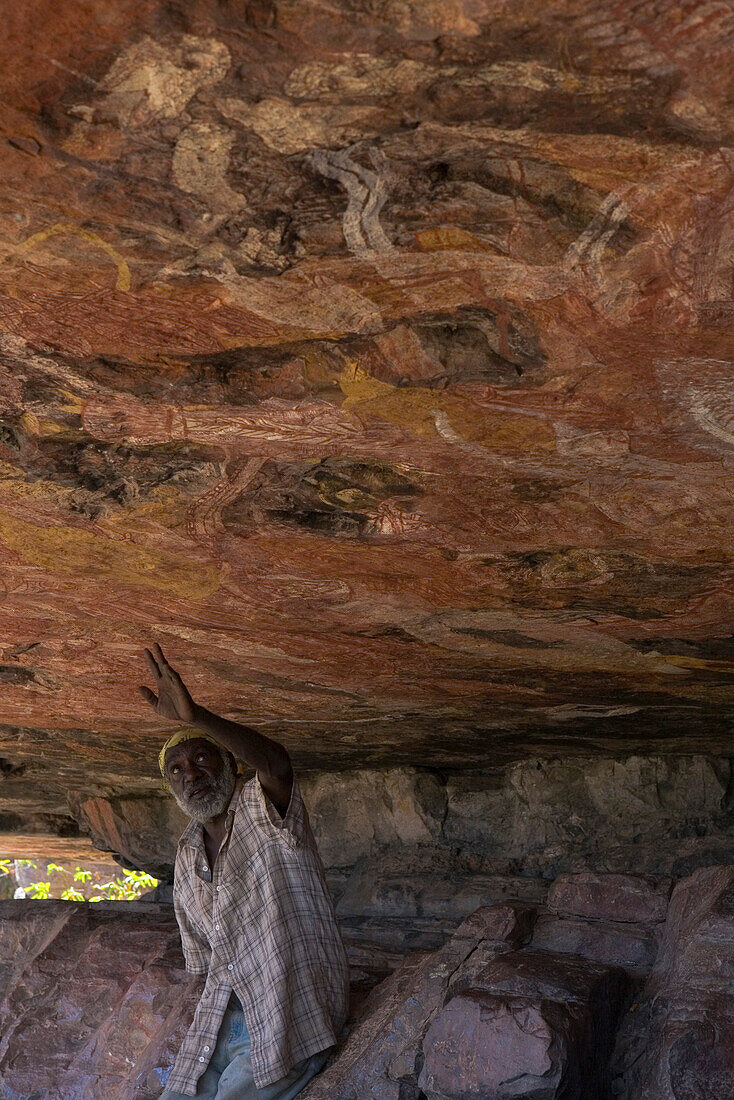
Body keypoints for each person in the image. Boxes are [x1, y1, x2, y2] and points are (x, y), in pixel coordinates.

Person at [139, 643, 350, 1100]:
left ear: (230, 765)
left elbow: (278, 764)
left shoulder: (260, 809)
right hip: (223, 1019)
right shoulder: (187, 854)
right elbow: (203, 962)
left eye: (201, 759)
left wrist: (197, 719)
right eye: (176, 770)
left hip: (290, 1015)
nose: (191, 776)